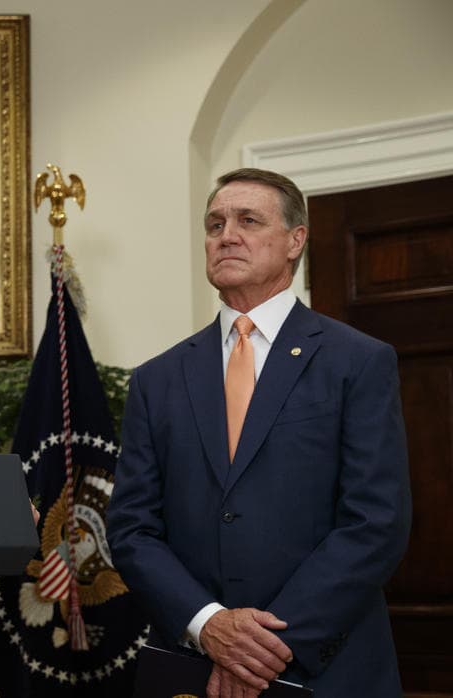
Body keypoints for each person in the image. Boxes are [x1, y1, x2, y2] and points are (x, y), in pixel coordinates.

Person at [107, 168, 411, 697]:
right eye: (215, 223)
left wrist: (260, 647)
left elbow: (375, 522)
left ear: (296, 241)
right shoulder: (157, 379)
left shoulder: (357, 361)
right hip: (192, 666)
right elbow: (133, 529)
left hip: (326, 665)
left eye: (248, 220)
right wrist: (209, 626)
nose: (226, 234)